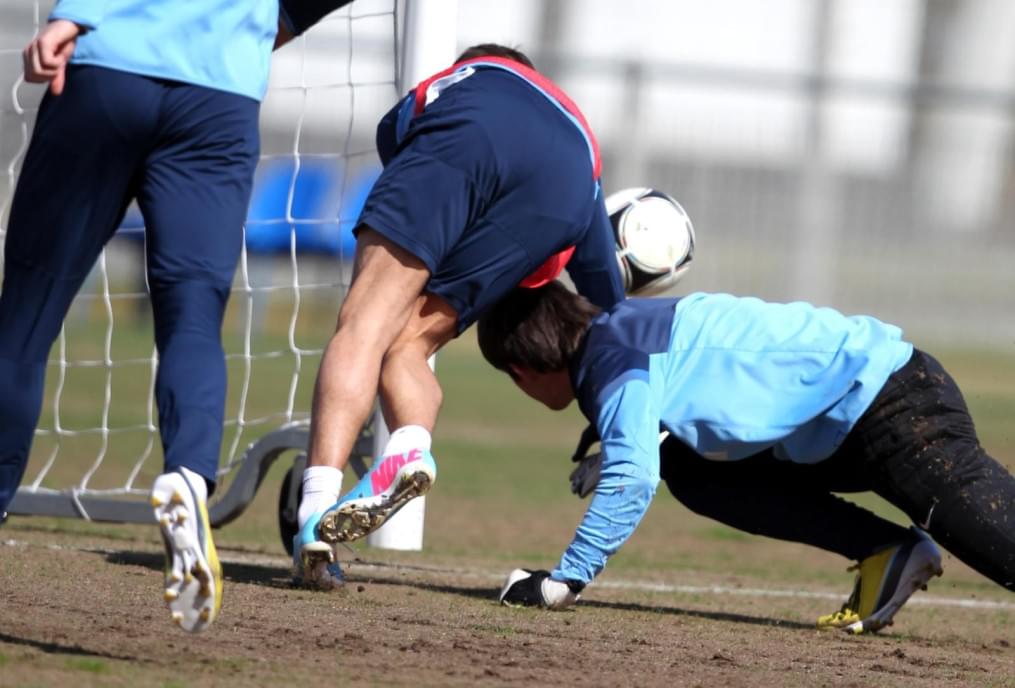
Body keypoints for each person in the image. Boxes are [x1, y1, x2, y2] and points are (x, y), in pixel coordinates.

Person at [0, 0, 349, 633]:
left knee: (25, 322)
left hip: (110, 70)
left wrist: (72, 17)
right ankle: (188, 474)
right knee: (193, 319)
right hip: (220, 97)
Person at [477, 282, 1015, 633]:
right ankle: (885, 552)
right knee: (694, 471)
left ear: (520, 370)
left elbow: (633, 479)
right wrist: (635, 438)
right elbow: (694, 395)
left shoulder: (612, 359)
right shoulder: (619, 329)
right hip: (847, 423)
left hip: (894, 403)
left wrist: (562, 583)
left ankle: (891, 548)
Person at [292, 44, 626, 589]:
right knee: (411, 343)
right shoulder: (570, 122)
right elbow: (601, 279)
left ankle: (314, 516)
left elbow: (393, 139)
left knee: (365, 326)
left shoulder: (454, 83)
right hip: (562, 185)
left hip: (460, 143)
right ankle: (409, 448)